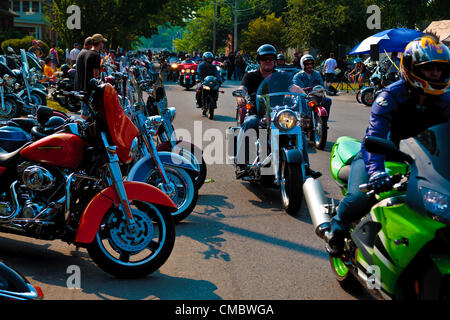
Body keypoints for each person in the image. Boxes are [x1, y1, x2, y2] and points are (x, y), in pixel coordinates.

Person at [325, 34, 450, 256]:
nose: (436, 74)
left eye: (440, 69)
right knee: (359, 197)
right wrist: (376, 173)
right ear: (412, 67)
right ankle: (336, 228)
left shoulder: (444, 100)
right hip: (380, 155)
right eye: (430, 68)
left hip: (421, 161)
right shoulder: (389, 97)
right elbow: (376, 134)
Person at [235, 44, 320, 178]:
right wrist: (240, 96)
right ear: (259, 60)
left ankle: (305, 166)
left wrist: (306, 95)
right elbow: (243, 88)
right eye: (264, 58)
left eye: (271, 58)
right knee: (249, 123)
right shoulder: (251, 75)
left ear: (275, 60)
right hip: (258, 113)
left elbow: (293, 87)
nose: (268, 61)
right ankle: (241, 163)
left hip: (278, 114)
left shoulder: (282, 75)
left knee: (298, 128)